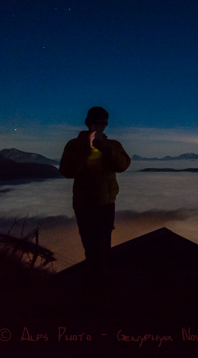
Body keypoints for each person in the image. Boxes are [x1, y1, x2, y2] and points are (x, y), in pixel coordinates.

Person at [60, 106, 130, 277]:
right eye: (96, 123)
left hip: (107, 204)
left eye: (103, 124)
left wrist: (105, 148)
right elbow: (67, 171)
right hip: (85, 206)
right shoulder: (74, 145)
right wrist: (86, 149)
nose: (100, 127)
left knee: (104, 245)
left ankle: (101, 283)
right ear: (88, 123)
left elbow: (122, 165)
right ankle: (95, 287)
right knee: (94, 249)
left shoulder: (112, 145)